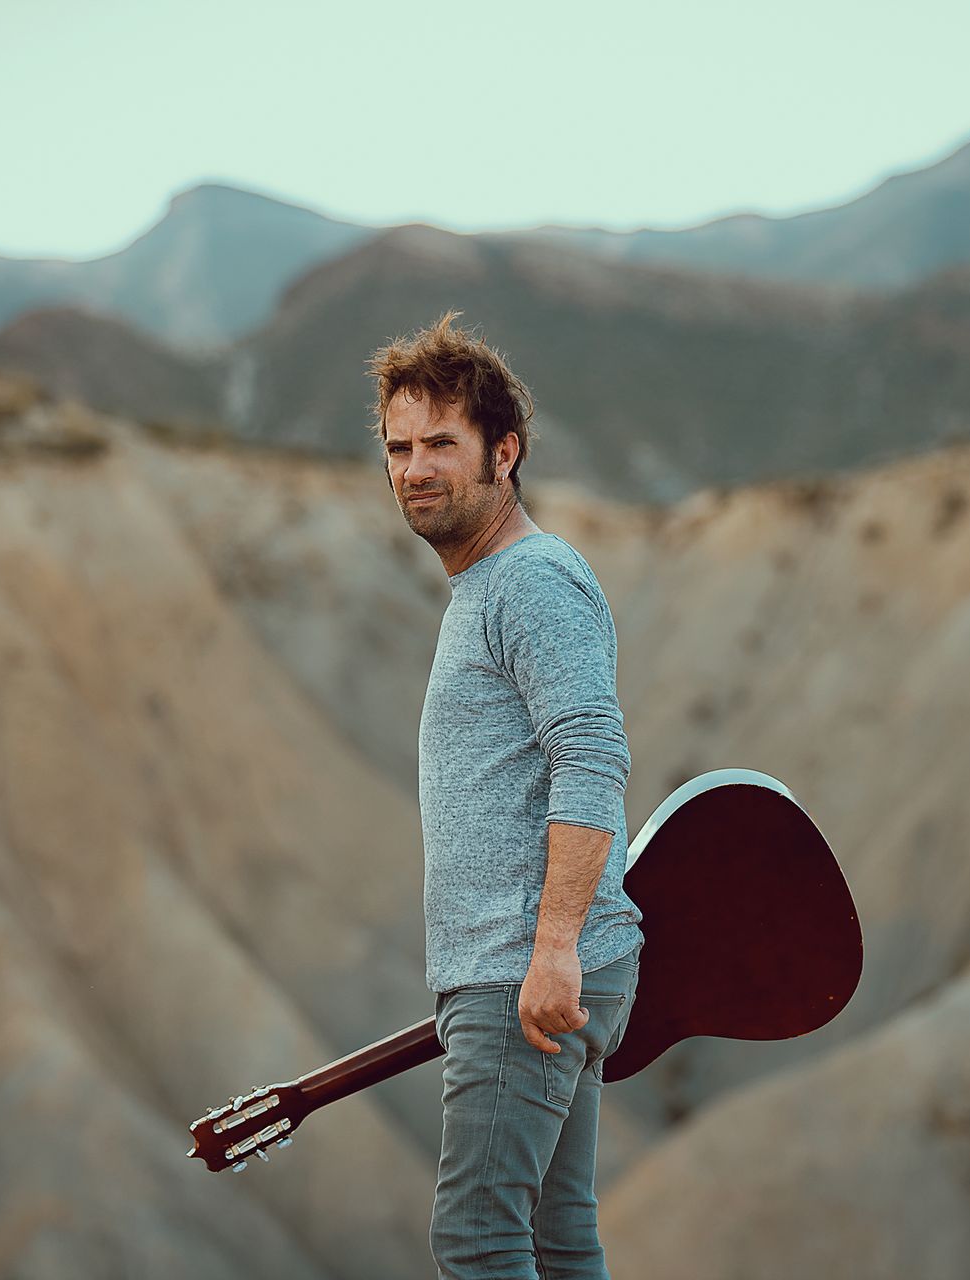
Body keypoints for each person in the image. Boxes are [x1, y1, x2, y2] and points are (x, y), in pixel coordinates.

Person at [368, 311, 645, 1278]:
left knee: (479, 1241)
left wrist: (554, 950)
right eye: (400, 447)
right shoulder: (485, 589)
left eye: (443, 444)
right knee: (555, 1240)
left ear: (504, 453)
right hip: (528, 971)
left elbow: (593, 756)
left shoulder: (528, 582)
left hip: (528, 976)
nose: (416, 468)